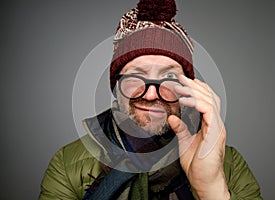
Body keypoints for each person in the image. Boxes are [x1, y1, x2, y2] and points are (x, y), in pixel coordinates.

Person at [39, 0, 262, 199]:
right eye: (136, 76)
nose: (152, 94)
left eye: (169, 77)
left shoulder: (228, 165)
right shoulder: (67, 164)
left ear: (190, 88)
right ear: (116, 86)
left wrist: (211, 189)